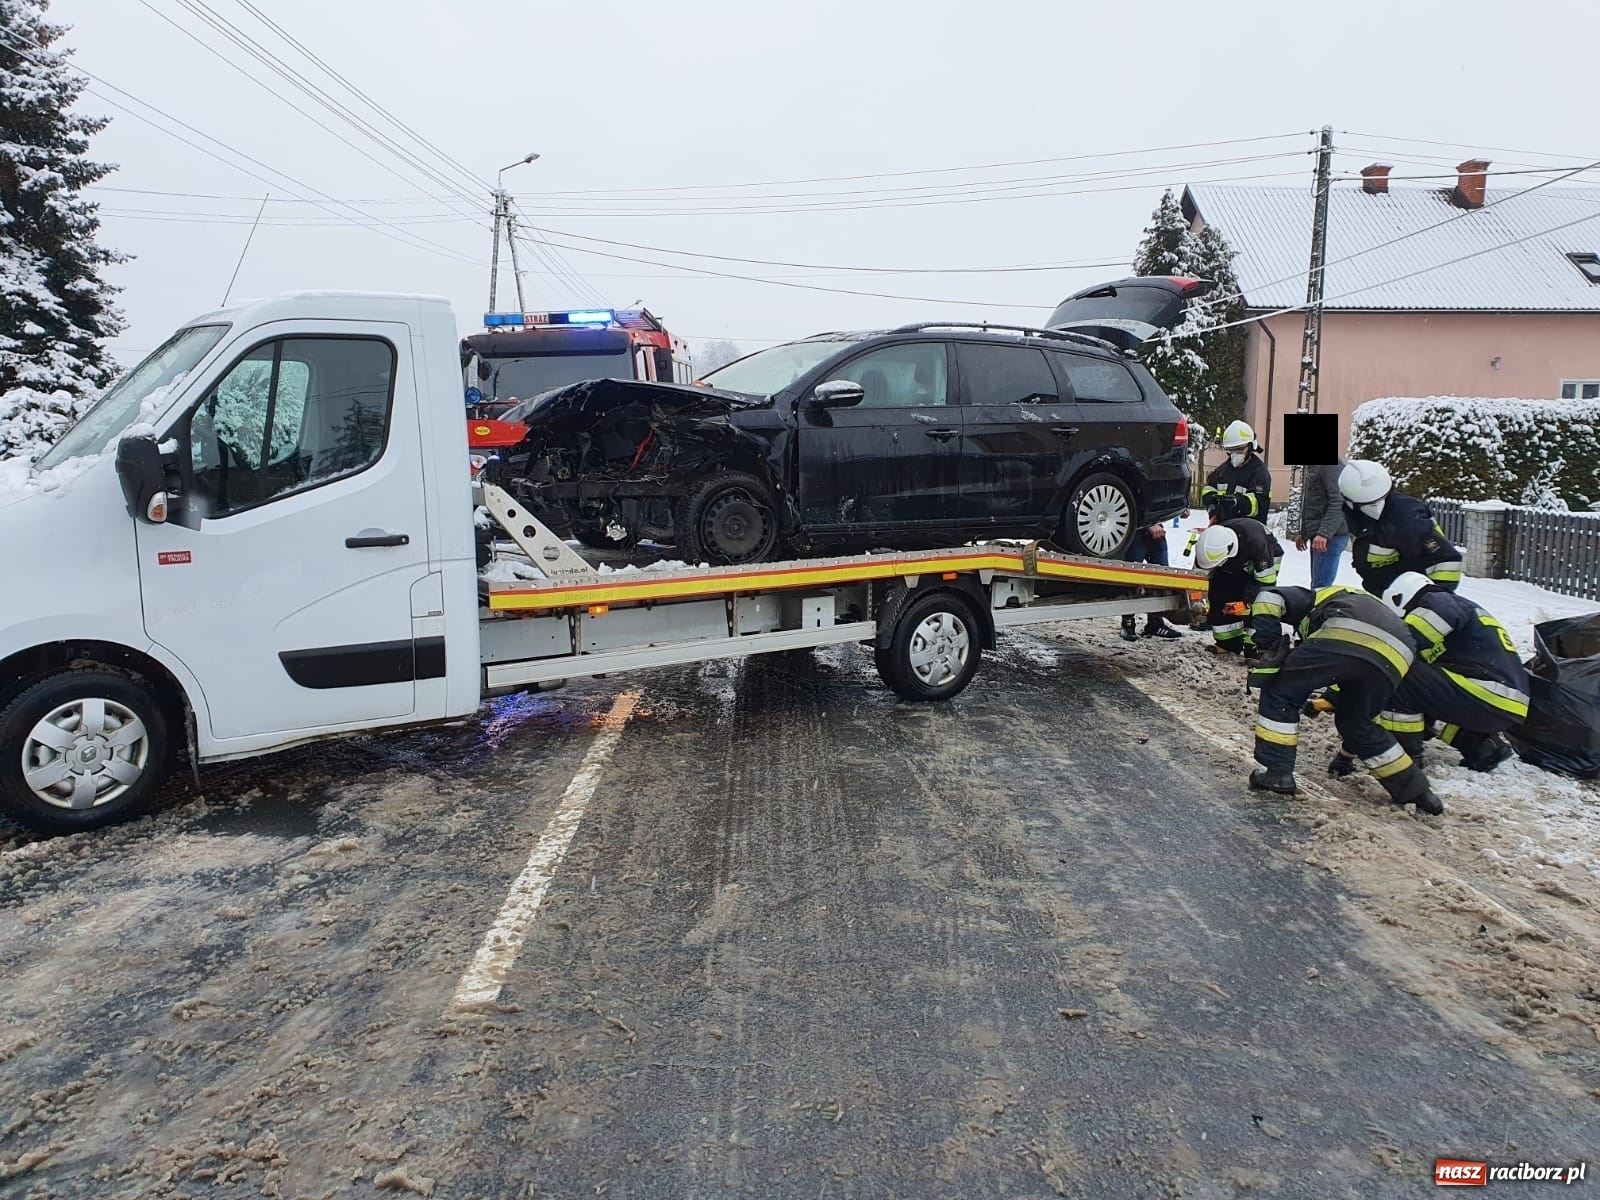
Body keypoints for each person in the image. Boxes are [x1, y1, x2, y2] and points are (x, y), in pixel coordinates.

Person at [1246, 583, 1443, 814]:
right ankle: (1418, 792)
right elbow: (1345, 667)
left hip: (1346, 632)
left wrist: (1268, 646)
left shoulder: (1311, 597)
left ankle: (1277, 773)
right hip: (1396, 658)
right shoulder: (1370, 606)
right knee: (1357, 723)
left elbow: (1268, 597)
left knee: (1279, 690)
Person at [1366, 571, 1529, 773]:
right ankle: (1482, 747)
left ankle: (1404, 760)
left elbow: (1403, 643)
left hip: (1488, 696)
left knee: (1398, 671)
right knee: (1422, 690)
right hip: (1500, 705)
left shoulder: (1437, 603)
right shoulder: (1458, 606)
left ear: (1401, 601)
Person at [1338, 460, 1464, 597]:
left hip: (1410, 598)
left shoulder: (1408, 519)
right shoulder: (1355, 515)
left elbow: (1446, 560)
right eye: (1368, 504)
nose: (1376, 508)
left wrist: (1432, 599)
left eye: (1379, 500)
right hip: (1383, 593)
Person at [1193, 518, 1284, 655]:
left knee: (1258, 602)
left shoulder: (1256, 543)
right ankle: (1228, 643)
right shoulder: (1211, 542)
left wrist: (1246, 603)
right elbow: (1200, 575)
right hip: (1235, 562)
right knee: (1220, 595)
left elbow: (1265, 585)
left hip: (1265, 563)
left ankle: (1256, 647)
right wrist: (1200, 599)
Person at [1119, 520, 1184, 641]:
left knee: (1161, 579)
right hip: (1136, 530)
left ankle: (1155, 623)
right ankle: (1128, 624)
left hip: (1156, 531)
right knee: (1131, 578)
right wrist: (1149, 523)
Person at [1202, 420, 1273, 523]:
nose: (1235, 454)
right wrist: (1211, 501)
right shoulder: (1223, 470)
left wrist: (1238, 502)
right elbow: (1209, 487)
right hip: (1224, 528)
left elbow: (1259, 505)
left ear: (1250, 447)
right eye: (1231, 450)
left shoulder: (1259, 473)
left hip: (1248, 529)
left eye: (1239, 449)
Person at [1296, 461, 1350, 590]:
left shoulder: (1332, 466)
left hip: (1331, 537)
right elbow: (1312, 502)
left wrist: (1324, 533)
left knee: (1321, 588)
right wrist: (1304, 533)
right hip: (1320, 535)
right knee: (1317, 586)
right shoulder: (1315, 466)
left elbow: (1339, 502)